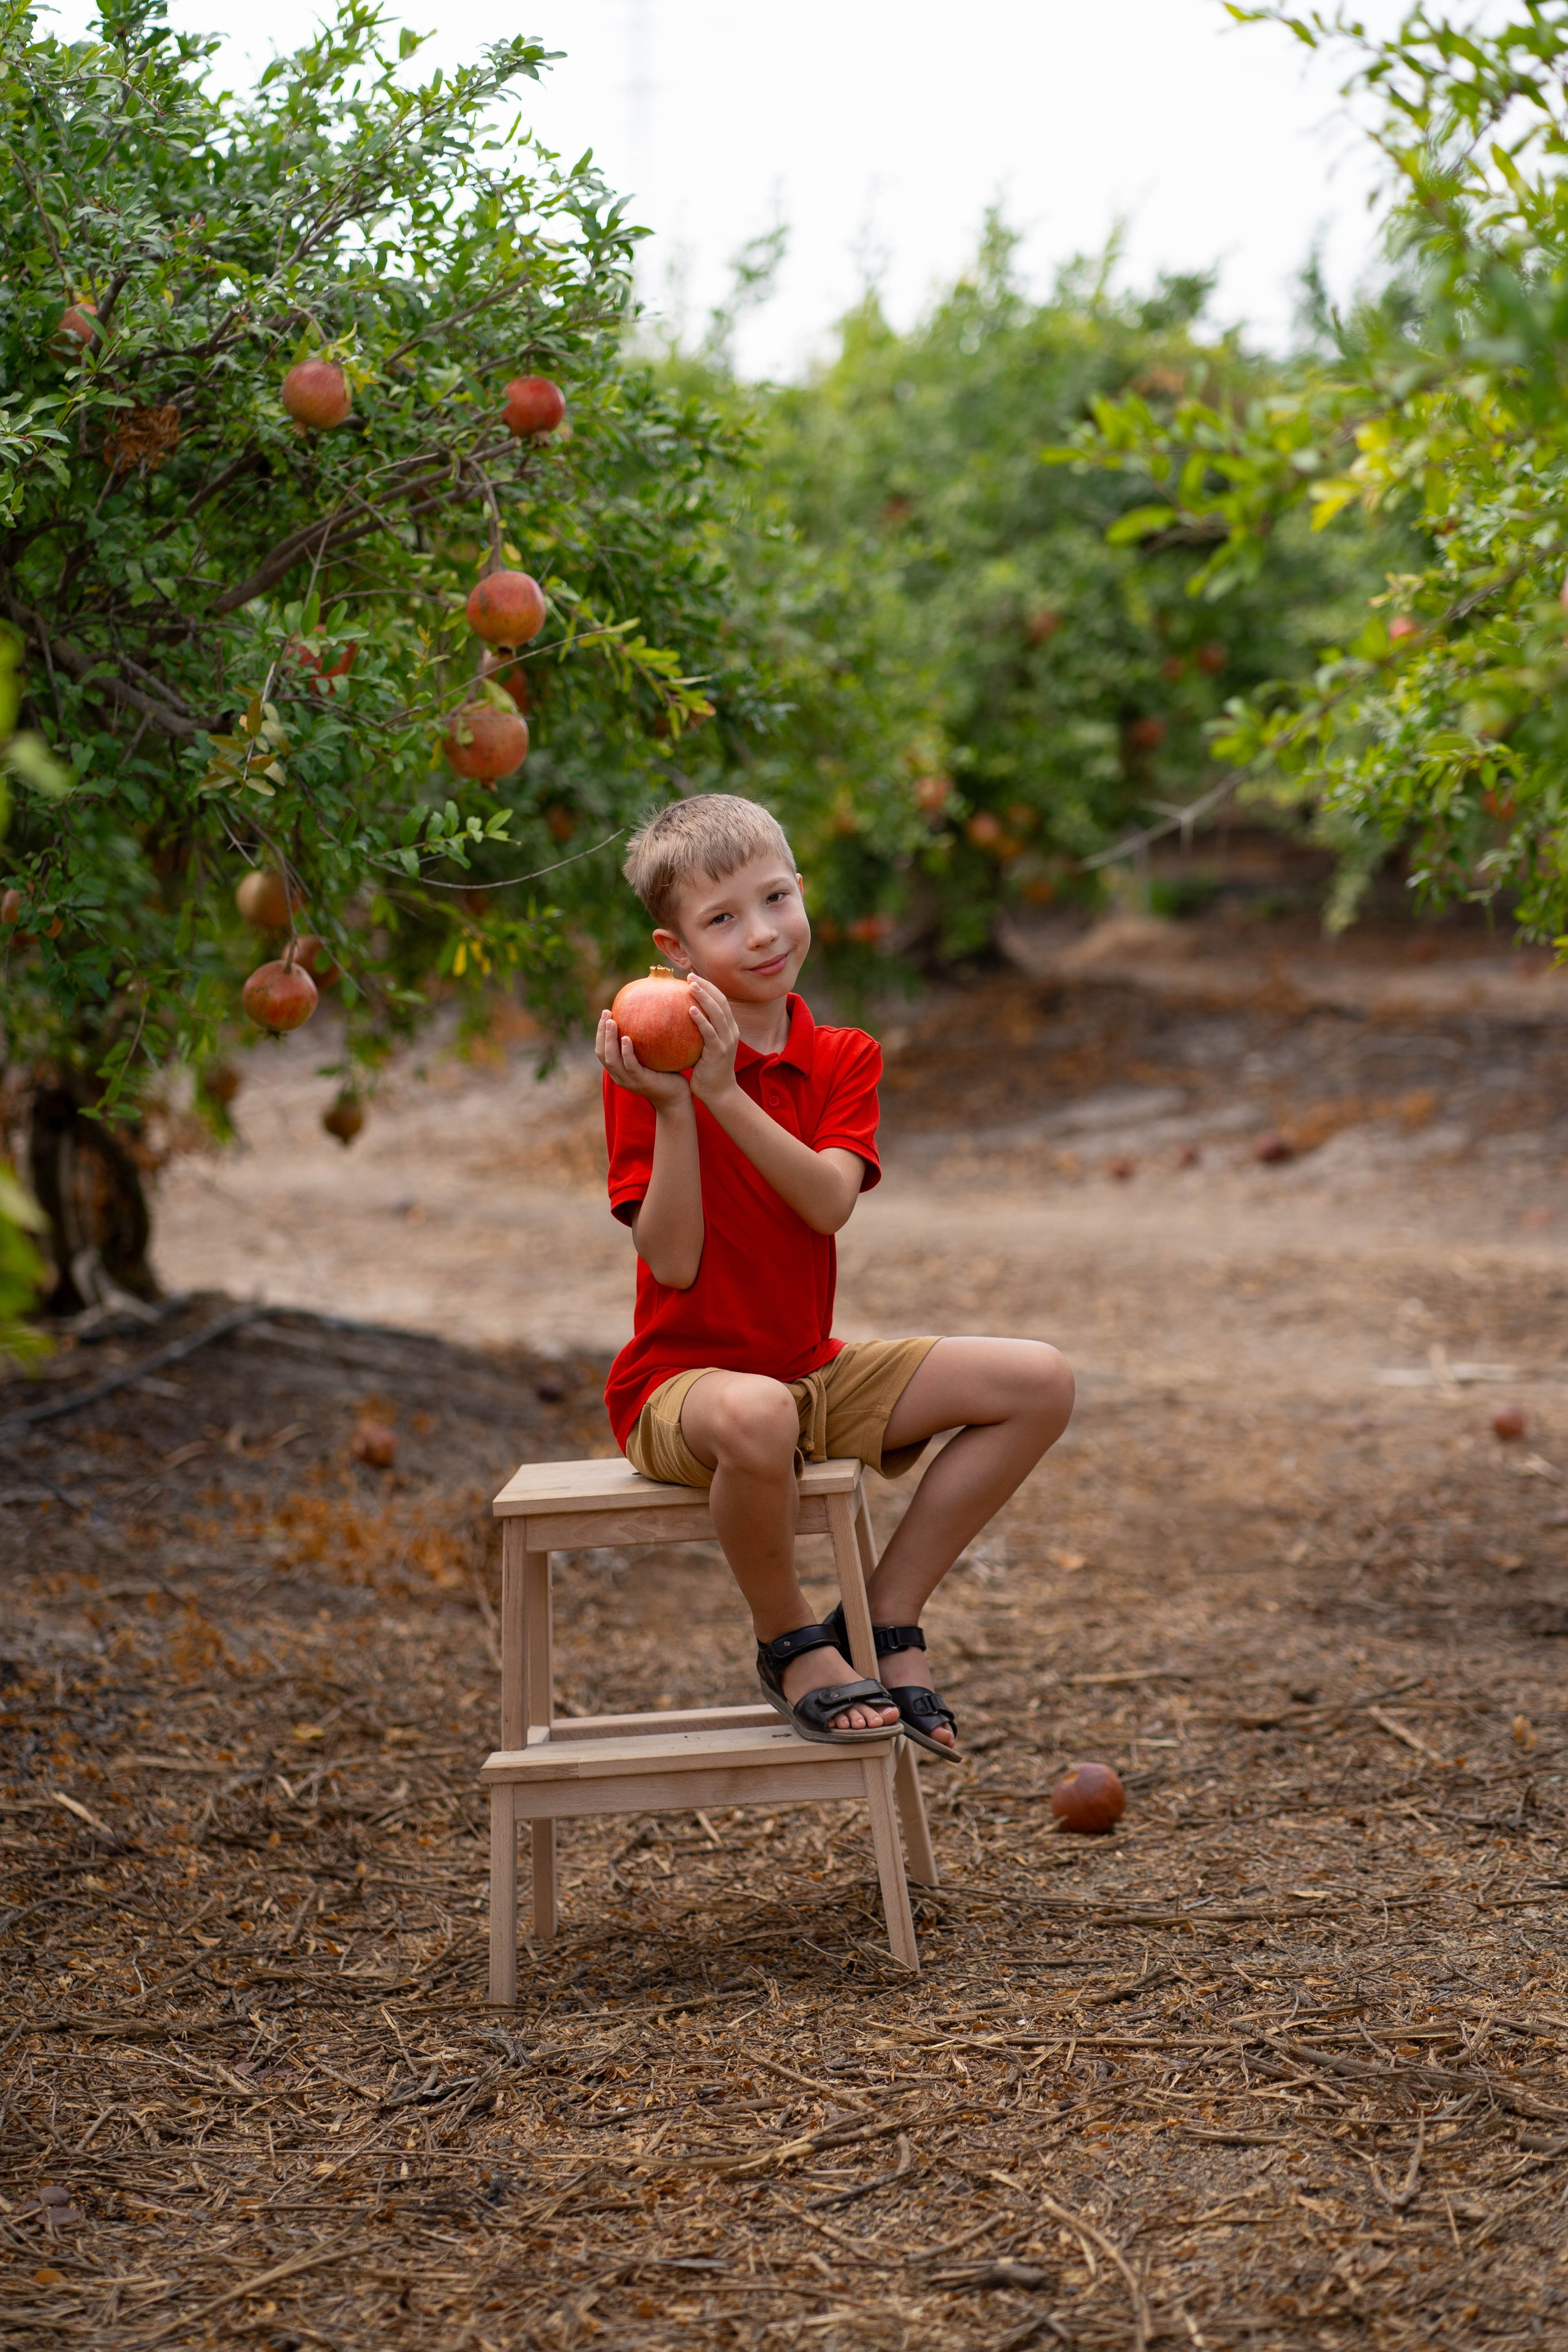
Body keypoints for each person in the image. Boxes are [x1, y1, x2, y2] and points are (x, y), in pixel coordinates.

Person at [595, 793, 1074, 1756]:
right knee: (759, 1413)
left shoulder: (843, 1057)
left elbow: (826, 1201)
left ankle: (883, 1615)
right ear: (674, 949)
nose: (764, 934)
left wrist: (725, 1093)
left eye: (775, 898)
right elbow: (674, 1260)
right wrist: (683, 1107)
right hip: (683, 1391)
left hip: (809, 1369)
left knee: (1039, 1381)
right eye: (722, 919)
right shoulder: (646, 1059)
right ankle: (790, 1639)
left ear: (803, 891)